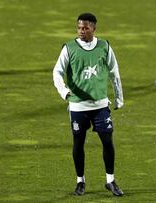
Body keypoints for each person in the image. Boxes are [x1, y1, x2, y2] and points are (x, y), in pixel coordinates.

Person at [53, 13, 124, 196]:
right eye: (79, 27)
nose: (81, 31)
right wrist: (64, 91)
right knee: (78, 142)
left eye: (85, 28)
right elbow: (57, 72)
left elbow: (114, 73)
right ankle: (80, 181)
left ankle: (110, 180)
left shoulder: (104, 46)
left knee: (107, 141)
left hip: (100, 105)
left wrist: (118, 98)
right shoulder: (69, 48)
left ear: (94, 28)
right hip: (78, 106)